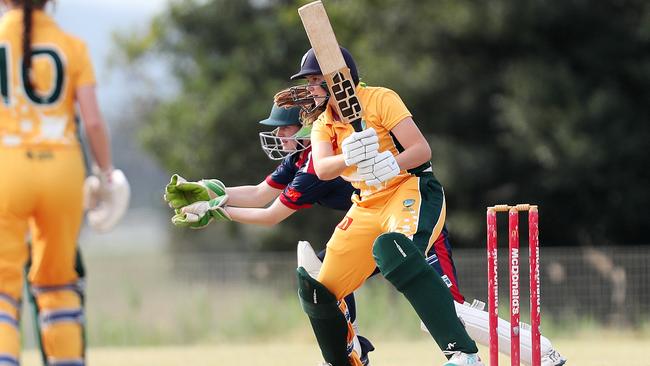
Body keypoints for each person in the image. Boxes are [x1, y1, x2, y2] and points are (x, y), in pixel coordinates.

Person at [163, 100, 375, 365]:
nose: (278, 135)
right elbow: (258, 193)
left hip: (394, 221)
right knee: (324, 271)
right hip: (373, 222)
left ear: (308, 128)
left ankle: (349, 348)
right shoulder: (300, 158)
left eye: (285, 128)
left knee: (326, 271)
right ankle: (350, 347)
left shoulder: (315, 167)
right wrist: (208, 190)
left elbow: (270, 216)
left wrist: (215, 210)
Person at [0, 1, 129, 365]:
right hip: (63, 171)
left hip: (6, 169)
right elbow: (92, 123)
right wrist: (107, 173)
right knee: (58, 285)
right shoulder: (72, 45)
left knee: (3, 289)